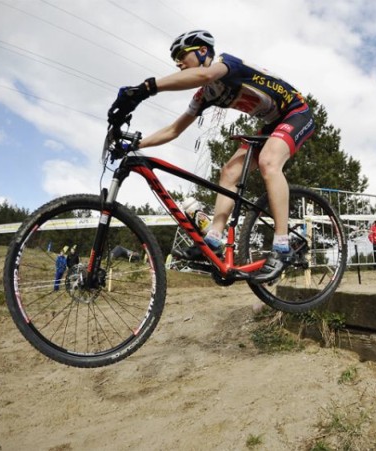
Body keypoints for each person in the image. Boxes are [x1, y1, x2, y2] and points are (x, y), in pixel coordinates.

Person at [107, 30, 315, 283]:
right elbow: (174, 130)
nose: (178, 63)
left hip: (296, 112)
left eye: (182, 55)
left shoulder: (226, 65)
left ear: (203, 51)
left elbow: (204, 74)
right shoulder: (205, 94)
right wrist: (137, 144)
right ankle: (214, 239)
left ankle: (282, 245)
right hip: (271, 124)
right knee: (228, 172)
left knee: (269, 161)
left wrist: (148, 87)